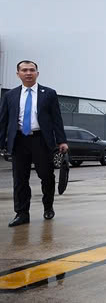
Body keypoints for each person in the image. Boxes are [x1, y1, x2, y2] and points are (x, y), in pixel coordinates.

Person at [0, 60, 68, 227]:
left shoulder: (49, 93)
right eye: (24, 70)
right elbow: (3, 121)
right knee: (20, 179)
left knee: (46, 176)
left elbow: (56, 119)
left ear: (37, 73)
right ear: (18, 74)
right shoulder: (10, 95)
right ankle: (22, 213)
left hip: (41, 141)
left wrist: (61, 141)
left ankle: (48, 207)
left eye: (32, 70)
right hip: (19, 141)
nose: (28, 73)